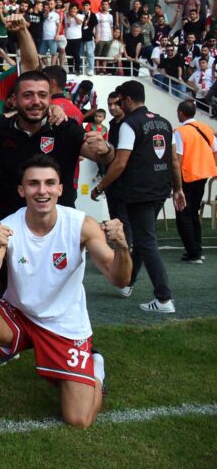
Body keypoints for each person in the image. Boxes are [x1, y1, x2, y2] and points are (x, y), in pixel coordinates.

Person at [0, 155, 131, 429]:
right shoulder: (8, 227)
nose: (42, 190)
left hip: (64, 325)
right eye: (33, 184)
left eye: (49, 183)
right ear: (22, 190)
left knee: (79, 419)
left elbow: (119, 279)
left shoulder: (81, 225)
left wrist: (123, 248)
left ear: (60, 189)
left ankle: (96, 369)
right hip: (18, 314)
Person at [91, 80, 184, 312]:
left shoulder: (129, 124)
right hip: (160, 190)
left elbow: (120, 162)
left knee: (146, 241)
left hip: (139, 192)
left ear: (128, 100)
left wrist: (100, 187)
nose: (119, 105)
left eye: (120, 101)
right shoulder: (164, 122)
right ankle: (129, 282)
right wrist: (178, 189)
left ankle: (164, 299)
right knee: (144, 239)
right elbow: (173, 161)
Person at [0, 72, 114, 221]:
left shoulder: (65, 128)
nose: (36, 101)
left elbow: (103, 157)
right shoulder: (0, 128)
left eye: (42, 95)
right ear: (14, 100)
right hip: (10, 223)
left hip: (58, 225)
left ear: (49, 99)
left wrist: (106, 148)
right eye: (28, 95)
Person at [171, 100, 217, 264]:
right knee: (193, 213)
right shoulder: (207, 128)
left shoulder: (180, 132)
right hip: (203, 175)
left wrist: (174, 182)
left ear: (180, 113)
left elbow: (178, 158)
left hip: (186, 176)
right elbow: (215, 150)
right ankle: (197, 249)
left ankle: (193, 253)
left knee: (183, 214)